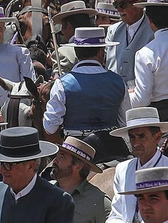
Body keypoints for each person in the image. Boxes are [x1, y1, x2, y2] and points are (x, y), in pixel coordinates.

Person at [102, 107, 168, 223]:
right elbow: (117, 212)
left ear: (157, 137)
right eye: (132, 137)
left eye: (142, 136)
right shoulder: (123, 170)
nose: (136, 143)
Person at [42, 26, 126, 160]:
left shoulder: (62, 84)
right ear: (100, 53)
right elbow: (125, 122)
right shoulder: (118, 81)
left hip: (76, 151)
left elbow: (50, 127)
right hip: (113, 149)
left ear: (76, 52)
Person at [51, 136, 109, 223]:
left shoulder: (99, 202)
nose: (54, 161)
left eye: (61, 157)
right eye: (57, 156)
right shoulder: (46, 190)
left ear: (78, 166)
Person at [104, 0, 152, 85]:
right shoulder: (113, 31)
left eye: (123, 4)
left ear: (139, 4)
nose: (119, 10)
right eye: (116, 5)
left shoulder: (152, 30)